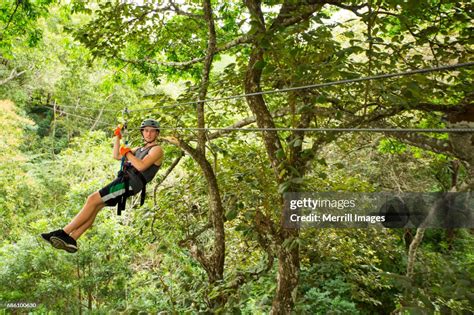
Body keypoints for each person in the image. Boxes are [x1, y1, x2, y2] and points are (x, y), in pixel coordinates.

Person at [41, 119, 164, 253]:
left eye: (152, 131)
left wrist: (127, 152)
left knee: (92, 199)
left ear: (157, 133)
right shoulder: (140, 149)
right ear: (142, 132)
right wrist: (117, 137)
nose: (149, 134)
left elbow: (141, 166)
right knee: (96, 206)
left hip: (129, 184)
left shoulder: (156, 150)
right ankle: (73, 238)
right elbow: (116, 155)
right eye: (146, 130)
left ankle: (63, 233)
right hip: (125, 182)